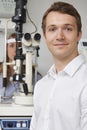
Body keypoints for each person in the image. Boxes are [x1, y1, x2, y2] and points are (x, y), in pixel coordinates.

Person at [30, 1, 87, 130]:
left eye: (67, 29)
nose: (60, 36)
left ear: (79, 34)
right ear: (45, 35)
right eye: (52, 29)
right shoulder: (41, 86)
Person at [0, 33, 42, 97]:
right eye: (11, 46)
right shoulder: (1, 75)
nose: (15, 50)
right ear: (6, 49)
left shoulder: (35, 77)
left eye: (19, 46)